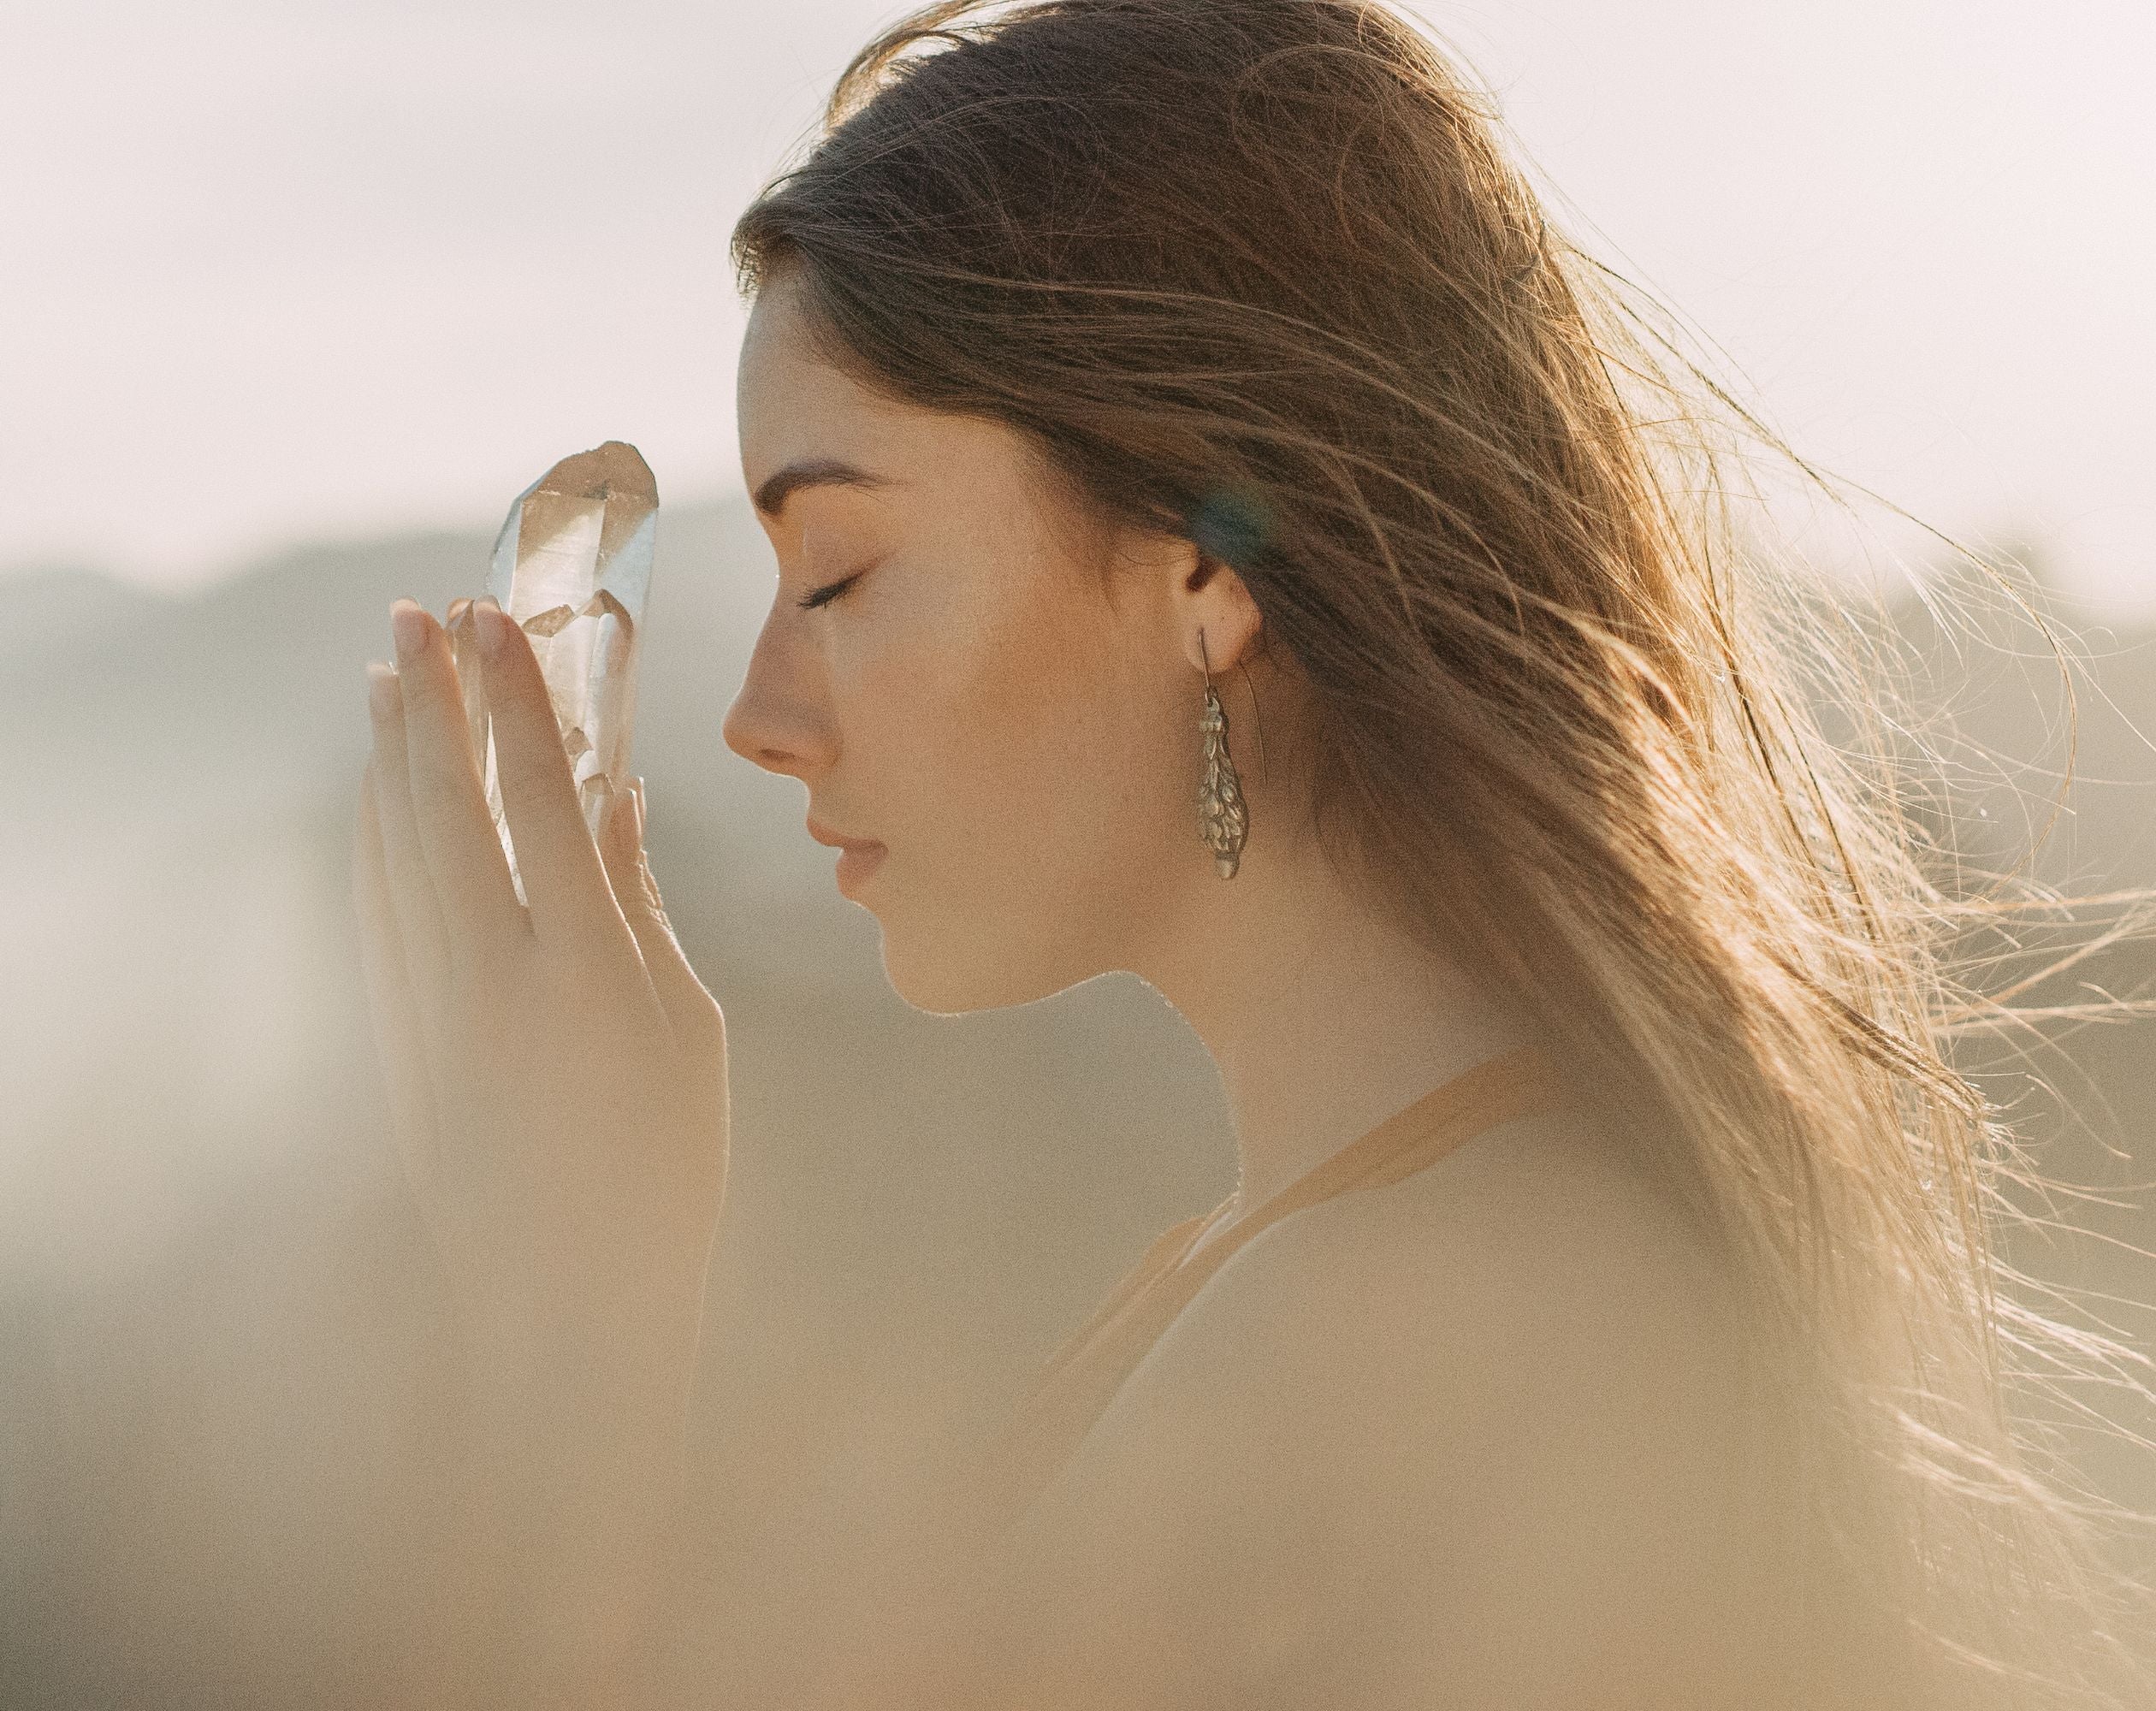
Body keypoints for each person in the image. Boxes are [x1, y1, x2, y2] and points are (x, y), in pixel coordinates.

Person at [353, 2, 2156, 1705]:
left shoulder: (1425, 1324)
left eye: (837, 574)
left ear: (1209, 561)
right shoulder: (1333, 1245)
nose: (760, 711)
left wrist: (577, 1354)